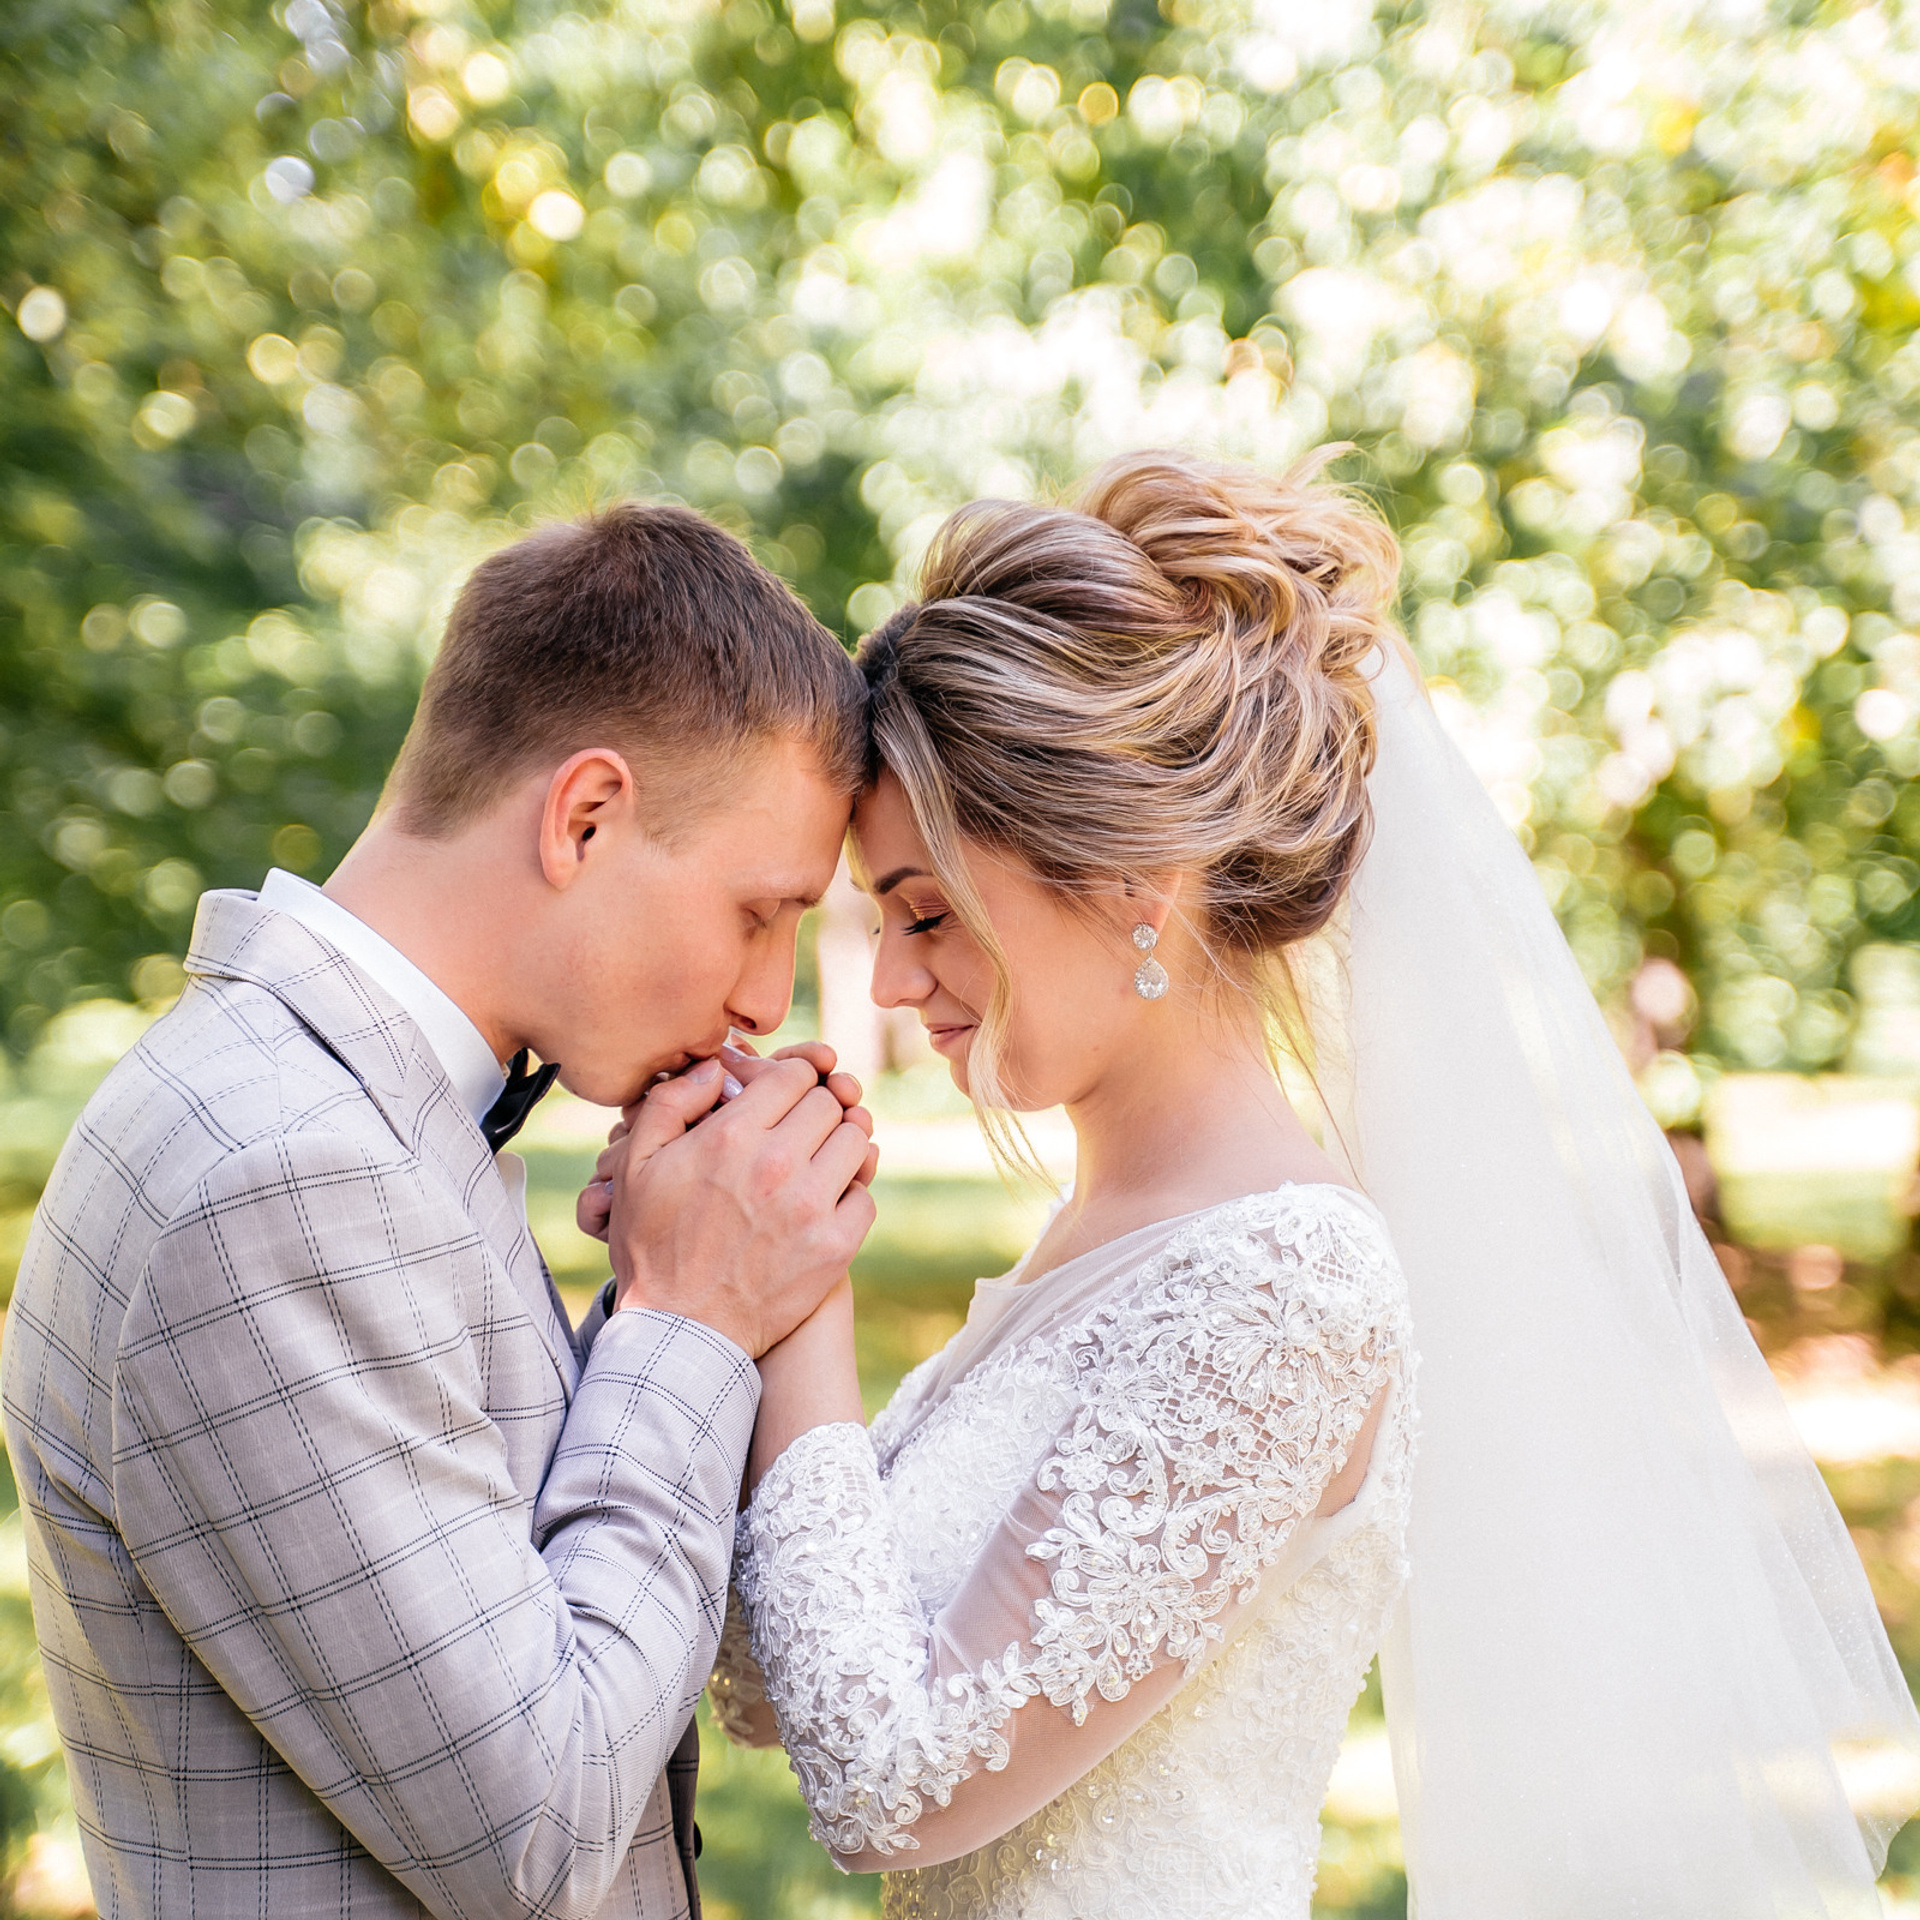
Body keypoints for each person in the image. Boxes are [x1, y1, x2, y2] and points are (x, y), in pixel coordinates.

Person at [691, 451, 1920, 1918]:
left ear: (1134, 881)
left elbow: (895, 1783)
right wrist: (703, 1304)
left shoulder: (1282, 1287)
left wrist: (804, 1300)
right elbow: (776, 1678)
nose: (893, 983)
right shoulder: (1099, 1243)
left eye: (928, 914)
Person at [1, 503, 881, 1920]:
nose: (768, 999)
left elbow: (496, 1586)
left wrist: (671, 1289)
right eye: (757, 911)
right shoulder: (278, 1179)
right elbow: (535, 1829)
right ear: (584, 817)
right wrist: (692, 1320)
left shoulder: (344, 1115)